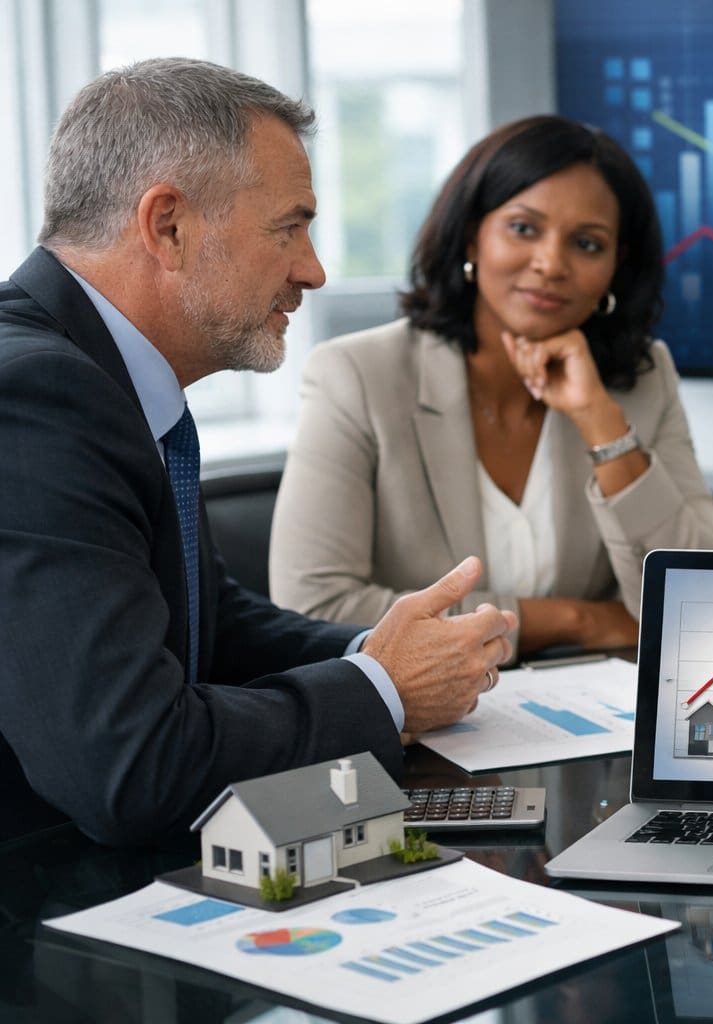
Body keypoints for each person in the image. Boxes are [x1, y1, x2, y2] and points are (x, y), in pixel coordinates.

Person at [0, 59, 516, 846]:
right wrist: (383, 689)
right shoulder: (38, 400)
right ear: (167, 226)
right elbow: (134, 767)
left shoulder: (106, 377)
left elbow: (204, 620)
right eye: (290, 226)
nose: (312, 270)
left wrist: (387, 655)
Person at [269, 116, 713, 660]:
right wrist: (574, 620)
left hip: (599, 724)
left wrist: (601, 420)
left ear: (615, 267)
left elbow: (705, 604)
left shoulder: (644, 376)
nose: (551, 264)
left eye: (586, 243)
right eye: (523, 228)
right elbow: (315, 606)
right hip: (424, 723)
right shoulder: (357, 375)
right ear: (472, 234)